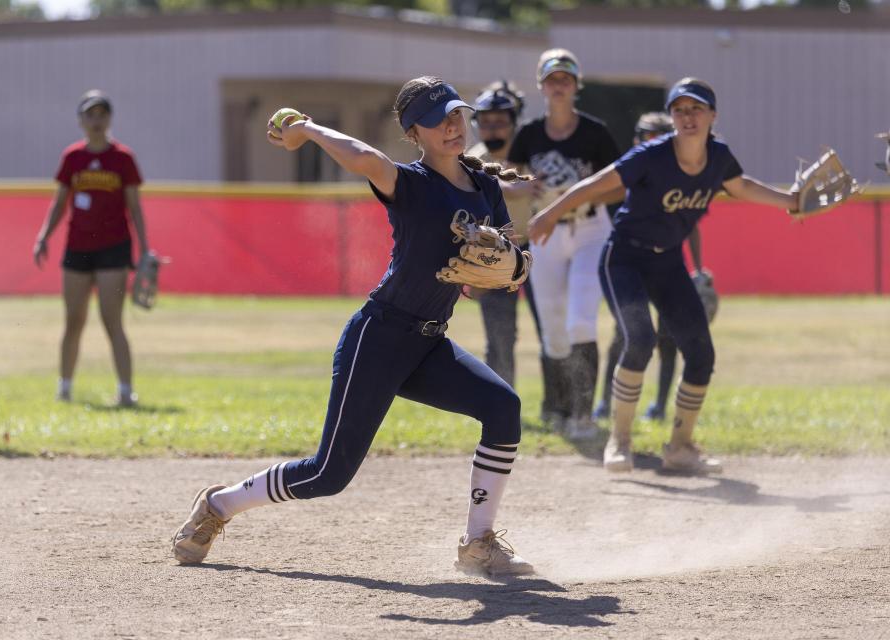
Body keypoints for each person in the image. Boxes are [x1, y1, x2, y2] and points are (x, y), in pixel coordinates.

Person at [171, 77, 534, 578]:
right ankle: (218, 505)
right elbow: (364, 158)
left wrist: (511, 268)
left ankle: (478, 543)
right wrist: (309, 128)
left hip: (429, 343)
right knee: (328, 474)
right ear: (414, 134)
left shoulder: (487, 189)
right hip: (379, 338)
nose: (451, 126)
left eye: (455, 114)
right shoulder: (410, 184)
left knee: (503, 407)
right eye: (435, 121)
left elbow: (503, 262)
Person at [528, 77, 801, 474]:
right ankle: (619, 441)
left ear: (712, 116)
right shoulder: (651, 155)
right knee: (639, 339)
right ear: (672, 116)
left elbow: (740, 186)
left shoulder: (719, 157)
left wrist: (791, 201)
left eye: (697, 109)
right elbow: (594, 184)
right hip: (623, 258)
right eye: (680, 109)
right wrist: (550, 213)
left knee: (702, 355)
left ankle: (681, 446)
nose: (688, 116)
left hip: (668, 262)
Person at [508, 49, 620, 440]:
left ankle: (584, 415)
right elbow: (512, 177)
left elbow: (618, 185)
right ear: (540, 85)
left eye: (566, 79)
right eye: (552, 79)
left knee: (580, 320)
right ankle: (559, 409)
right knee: (554, 329)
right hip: (546, 234)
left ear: (576, 86)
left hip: (590, 229)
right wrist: (521, 185)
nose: (558, 86)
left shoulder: (595, 132)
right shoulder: (529, 133)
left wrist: (581, 196)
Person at [593, 112, 711, 423]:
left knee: (669, 337)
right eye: (648, 137)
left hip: (666, 263)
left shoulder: (677, 176)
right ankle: (605, 403)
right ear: (637, 140)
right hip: (629, 264)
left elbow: (692, 226)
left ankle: (659, 406)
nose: (655, 142)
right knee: (628, 336)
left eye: (661, 135)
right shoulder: (626, 176)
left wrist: (698, 270)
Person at [33, 90, 149, 407]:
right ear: (80, 120)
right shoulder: (73, 157)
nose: (96, 121)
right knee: (73, 320)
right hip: (78, 247)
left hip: (113, 248)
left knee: (113, 320)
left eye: (102, 114)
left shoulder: (122, 158)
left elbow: (134, 208)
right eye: (90, 115)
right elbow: (60, 203)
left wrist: (145, 248)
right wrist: (44, 235)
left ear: (109, 119)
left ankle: (126, 392)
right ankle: (64, 388)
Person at [467, 81, 545, 389]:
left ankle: (559, 407)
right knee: (499, 336)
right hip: (496, 253)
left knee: (550, 328)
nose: (493, 129)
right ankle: (500, 403)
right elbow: (470, 181)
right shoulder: (473, 157)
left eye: (500, 121)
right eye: (486, 122)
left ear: (514, 122)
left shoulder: (533, 153)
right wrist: (510, 187)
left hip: (538, 246)